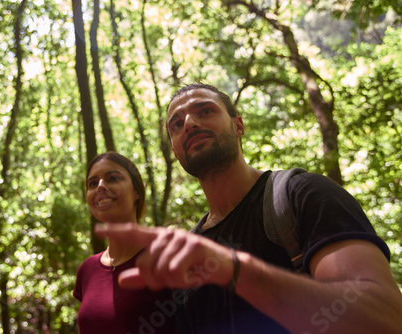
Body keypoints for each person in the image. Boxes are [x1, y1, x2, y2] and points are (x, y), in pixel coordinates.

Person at [95, 84, 402, 333]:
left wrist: (237, 270)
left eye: (205, 110)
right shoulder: (190, 256)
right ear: (175, 149)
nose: (189, 122)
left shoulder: (301, 195)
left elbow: (385, 318)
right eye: (177, 124)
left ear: (238, 125)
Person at [73, 152, 176, 334]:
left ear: (136, 192)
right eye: (93, 183)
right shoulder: (87, 270)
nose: (101, 186)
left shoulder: (165, 259)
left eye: (112, 178)